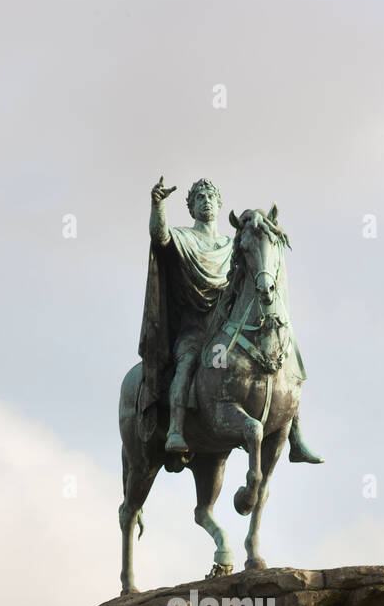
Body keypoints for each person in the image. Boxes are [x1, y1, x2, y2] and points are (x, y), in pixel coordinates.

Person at [138, 176, 322, 463]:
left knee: (280, 354)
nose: (206, 201)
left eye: (210, 197)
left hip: (228, 324)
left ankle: (295, 436)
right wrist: (158, 205)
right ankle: (175, 428)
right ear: (191, 207)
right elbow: (159, 237)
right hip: (196, 328)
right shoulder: (183, 238)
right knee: (186, 362)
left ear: (220, 203)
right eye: (199, 198)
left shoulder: (231, 243)